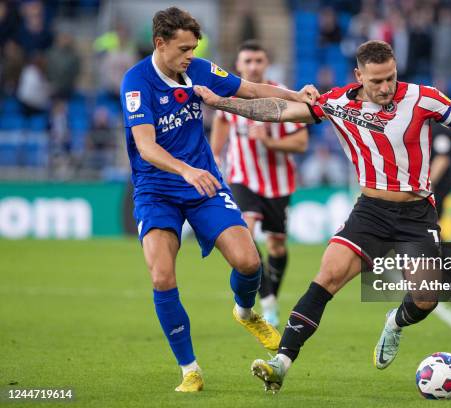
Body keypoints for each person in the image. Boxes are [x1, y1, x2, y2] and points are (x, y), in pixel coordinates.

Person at [194, 40, 451, 393]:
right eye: (376, 81)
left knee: (426, 299)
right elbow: (277, 111)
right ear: (359, 75)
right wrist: (219, 102)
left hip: (417, 214)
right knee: (325, 278)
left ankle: (394, 321)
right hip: (370, 212)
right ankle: (281, 363)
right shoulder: (338, 103)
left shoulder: (424, 98)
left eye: (390, 78)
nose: (385, 88)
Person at [119, 7, 318, 393]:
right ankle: (190, 369)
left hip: (203, 184)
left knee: (249, 261)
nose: (190, 55)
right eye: (183, 48)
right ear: (160, 44)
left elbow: (253, 89)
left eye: (194, 47)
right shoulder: (136, 82)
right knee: (161, 275)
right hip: (157, 190)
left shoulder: (199, 69)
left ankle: (245, 312)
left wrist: (297, 95)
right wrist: (186, 170)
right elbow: (145, 146)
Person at [210, 40, 309, 327]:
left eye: (258, 61)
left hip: (278, 183)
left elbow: (301, 142)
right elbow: (221, 121)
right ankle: (265, 301)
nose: (253, 66)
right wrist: (215, 156)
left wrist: (268, 140)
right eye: (247, 61)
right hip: (242, 179)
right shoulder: (229, 93)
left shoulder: (280, 97)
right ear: (238, 65)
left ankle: (271, 297)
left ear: (266, 64)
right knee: (245, 235)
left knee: (277, 245)